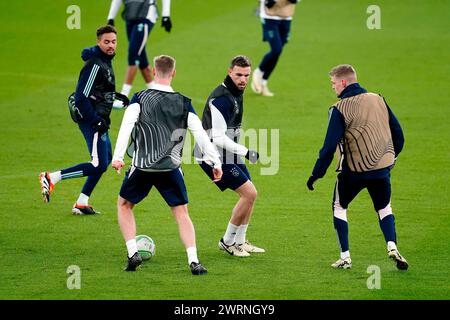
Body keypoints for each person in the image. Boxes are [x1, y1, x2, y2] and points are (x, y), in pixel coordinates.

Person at [111, 55, 223, 274]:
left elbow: (126, 126)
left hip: (142, 166)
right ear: (173, 73)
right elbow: (200, 135)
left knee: (124, 205)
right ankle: (194, 261)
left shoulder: (140, 98)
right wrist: (215, 162)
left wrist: (117, 157)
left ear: (153, 71)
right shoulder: (184, 103)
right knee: (181, 213)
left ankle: (133, 252)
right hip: (170, 167)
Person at [306, 64, 408, 270]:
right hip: (381, 170)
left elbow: (328, 148)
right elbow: (399, 134)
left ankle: (345, 257)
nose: (333, 88)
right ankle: (392, 246)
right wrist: (391, 159)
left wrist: (316, 174)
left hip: (353, 172)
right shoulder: (378, 99)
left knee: (339, 207)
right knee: (384, 207)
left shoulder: (339, 109)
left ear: (343, 82)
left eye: (333, 83)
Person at [39, 25, 118, 215]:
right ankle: (52, 177)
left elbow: (99, 92)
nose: (110, 45)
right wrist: (95, 120)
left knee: (104, 160)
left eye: (113, 42)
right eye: (106, 42)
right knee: (98, 163)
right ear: (98, 42)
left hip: (100, 119)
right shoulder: (95, 64)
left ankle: (82, 203)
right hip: (92, 120)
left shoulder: (106, 61)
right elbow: (81, 97)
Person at [194, 55, 265, 258]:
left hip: (228, 152)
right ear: (229, 72)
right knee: (249, 194)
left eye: (246, 75)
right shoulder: (222, 99)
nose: (243, 80)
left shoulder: (236, 92)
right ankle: (227, 241)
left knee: (251, 194)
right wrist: (246, 151)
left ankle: (240, 241)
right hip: (212, 155)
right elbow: (217, 137)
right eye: (239, 75)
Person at [106, 0, 172, 108]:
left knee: (134, 55)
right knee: (141, 58)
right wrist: (111, 17)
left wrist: (166, 15)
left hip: (146, 15)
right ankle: (156, 94)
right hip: (130, 16)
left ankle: (123, 98)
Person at [251, 0, 300, 97]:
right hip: (269, 16)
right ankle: (258, 72)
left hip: (286, 16)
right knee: (276, 49)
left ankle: (264, 82)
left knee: (278, 51)